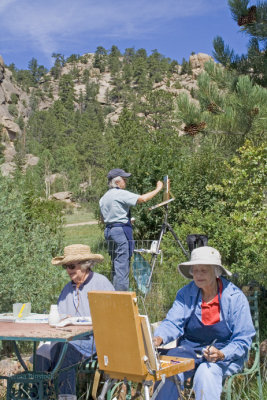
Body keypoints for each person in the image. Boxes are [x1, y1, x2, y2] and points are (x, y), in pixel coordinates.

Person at [153, 246, 255, 400]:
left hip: (223, 354)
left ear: (216, 272)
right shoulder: (185, 293)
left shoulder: (235, 298)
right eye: (195, 270)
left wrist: (222, 354)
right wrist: (158, 338)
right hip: (189, 350)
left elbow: (243, 339)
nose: (198, 275)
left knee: (205, 373)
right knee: (168, 368)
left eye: (204, 270)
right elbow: (173, 323)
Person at [35, 244, 114, 399]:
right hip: (69, 338)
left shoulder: (101, 284)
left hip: (95, 341)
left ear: (85, 265)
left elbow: (112, 318)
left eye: (71, 266)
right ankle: (38, 394)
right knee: (41, 352)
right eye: (66, 266)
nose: (68, 270)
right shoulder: (67, 289)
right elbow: (59, 315)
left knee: (65, 350)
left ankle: (66, 396)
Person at [99, 168, 163, 291]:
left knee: (116, 265)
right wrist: (158, 189)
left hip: (109, 231)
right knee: (122, 266)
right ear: (117, 182)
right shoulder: (120, 193)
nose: (126, 181)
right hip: (120, 232)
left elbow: (103, 219)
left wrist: (120, 219)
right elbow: (142, 199)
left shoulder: (103, 198)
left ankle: (114, 294)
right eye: (124, 179)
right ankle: (121, 299)